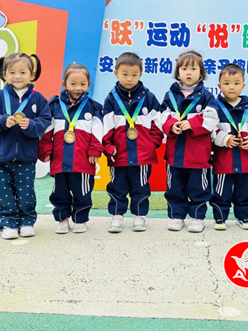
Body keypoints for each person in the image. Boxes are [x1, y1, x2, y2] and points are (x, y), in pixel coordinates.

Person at [0, 53, 51, 240]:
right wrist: (3, 121)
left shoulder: (38, 99)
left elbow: (45, 120)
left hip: (26, 156)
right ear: (4, 74)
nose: (17, 76)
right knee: (3, 191)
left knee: (26, 190)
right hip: (0, 155)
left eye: (22, 72)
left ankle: (26, 222)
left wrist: (32, 125)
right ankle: (7, 223)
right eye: (12, 72)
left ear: (32, 75)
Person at [39, 63, 103, 234]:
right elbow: (47, 130)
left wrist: (95, 150)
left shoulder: (93, 107)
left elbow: (98, 130)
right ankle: (62, 219)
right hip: (59, 159)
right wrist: (45, 149)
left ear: (89, 85)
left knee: (82, 192)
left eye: (82, 84)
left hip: (83, 160)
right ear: (64, 84)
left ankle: (80, 220)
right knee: (59, 192)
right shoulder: (54, 105)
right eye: (73, 84)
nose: (78, 88)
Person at [102, 52, 163, 233]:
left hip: (142, 155)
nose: (129, 79)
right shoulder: (111, 99)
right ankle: (117, 216)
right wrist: (108, 147)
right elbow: (106, 127)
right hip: (118, 154)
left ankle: (139, 216)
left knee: (141, 187)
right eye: (125, 74)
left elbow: (158, 123)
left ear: (141, 74)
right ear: (116, 73)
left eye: (134, 74)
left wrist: (152, 143)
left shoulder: (149, 98)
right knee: (117, 186)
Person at [160, 50, 219, 233]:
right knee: (174, 187)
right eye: (184, 68)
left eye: (193, 69)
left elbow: (212, 118)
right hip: (175, 153)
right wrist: (171, 125)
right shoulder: (170, 95)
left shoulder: (206, 96)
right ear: (177, 72)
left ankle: (197, 217)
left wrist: (192, 124)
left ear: (201, 73)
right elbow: (161, 116)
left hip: (198, 155)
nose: (188, 72)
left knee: (199, 188)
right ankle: (176, 216)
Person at [210, 64, 248, 231]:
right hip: (223, 160)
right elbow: (210, 129)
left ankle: (243, 217)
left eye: (236, 83)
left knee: (244, 192)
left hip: (245, 160)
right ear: (219, 86)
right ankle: (220, 218)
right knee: (221, 191)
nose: (231, 87)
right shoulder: (214, 107)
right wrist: (224, 138)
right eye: (226, 83)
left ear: (243, 85)